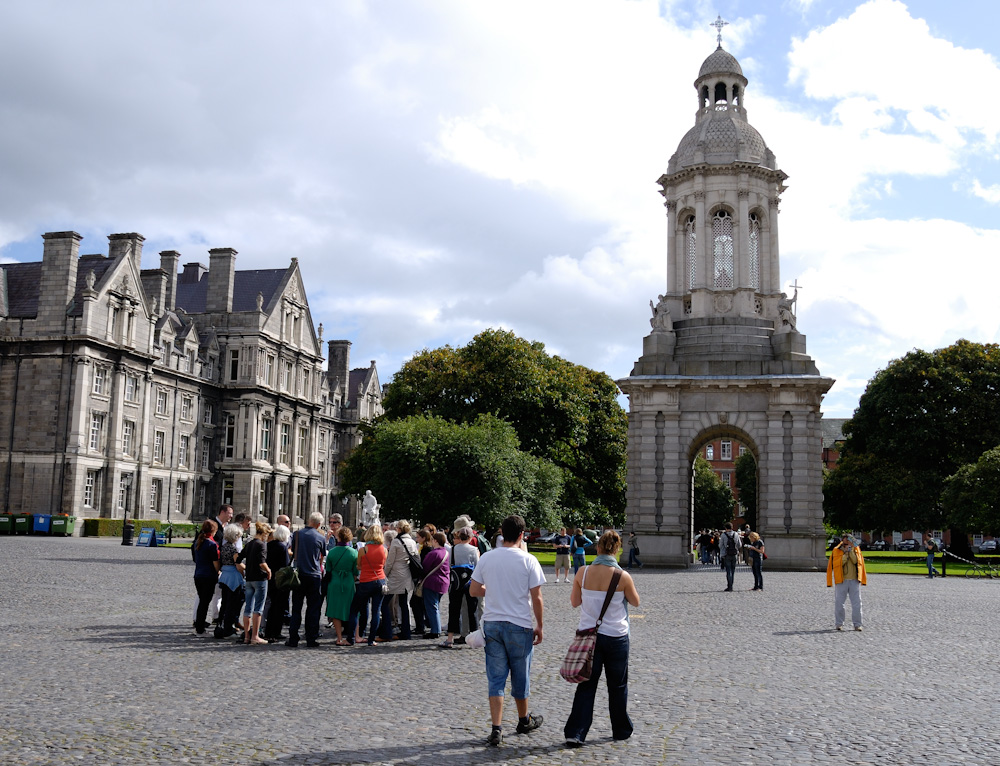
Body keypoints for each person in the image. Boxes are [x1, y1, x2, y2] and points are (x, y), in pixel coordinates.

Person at [469, 514, 545, 747]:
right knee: (521, 676)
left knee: (496, 677)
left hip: (492, 623)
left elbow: (474, 590)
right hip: (519, 624)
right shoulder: (528, 560)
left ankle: (496, 728)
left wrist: (493, 591)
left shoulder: (488, 558)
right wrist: (539, 625)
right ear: (522, 535)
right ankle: (523, 720)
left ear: (502, 532)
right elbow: (537, 597)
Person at [564, 530, 640, 747]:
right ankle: (621, 729)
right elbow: (635, 602)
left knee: (586, 684)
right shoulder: (623, 576)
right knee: (617, 685)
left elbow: (575, 602)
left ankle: (576, 732)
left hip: (589, 637)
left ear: (597, 548)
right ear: (616, 550)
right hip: (616, 636)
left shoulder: (583, 572)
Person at [286, 511, 326, 648]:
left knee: (296, 608)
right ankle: (311, 638)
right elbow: (322, 557)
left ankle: (293, 638)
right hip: (314, 575)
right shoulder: (321, 537)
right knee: (313, 609)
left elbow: (290, 550)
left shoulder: (297, 534)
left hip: (299, 574)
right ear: (319, 524)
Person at [346, 525, 388, 647]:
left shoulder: (363, 550)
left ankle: (350, 638)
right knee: (376, 611)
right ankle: (371, 639)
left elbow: (359, 566)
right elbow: (383, 565)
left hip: (365, 581)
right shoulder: (384, 550)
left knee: (355, 609)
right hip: (380, 581)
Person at [441, 527, 480, 648]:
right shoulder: (474, 550)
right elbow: (477, 566)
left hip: (455, 583)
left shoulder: (452, 549)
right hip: (470, 583)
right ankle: (474, 638)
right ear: (470, 538)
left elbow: (448, 566)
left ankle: (449, 638)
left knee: (453, 610)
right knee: (472, 610)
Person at [380, 520, 417, 642]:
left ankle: (386, 632)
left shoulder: (396, 542)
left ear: (399, 529)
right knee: (403, 604)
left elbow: (390, 562)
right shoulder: (412, 541)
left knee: (384, 604)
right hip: (406, 575)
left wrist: (384, 574)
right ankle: (406, 631)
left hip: (396, 576)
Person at [237, 521, 272, 645]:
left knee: (248, 608)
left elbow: (238, 560)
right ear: (265, 534)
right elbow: (262, 562)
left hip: (249, 578)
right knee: (258, 608)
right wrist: (268, 571)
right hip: (260, 579)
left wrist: (245, 569)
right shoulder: (261, 544)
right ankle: (255, 636)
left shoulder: (250, 543)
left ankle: (246, 636)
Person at [325, 526, 358, 646]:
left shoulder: (332, 552)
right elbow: (356, 571)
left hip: (334, 582)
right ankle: (355, 635)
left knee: (335, 610)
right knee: (351, 609)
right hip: (348, 582)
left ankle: (339, 638)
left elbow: (328, 569)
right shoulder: (354, 553)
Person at [826, 534, 866, 631]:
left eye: (849, 541)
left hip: (854, 580)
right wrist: (845, 554)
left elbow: (856, 561)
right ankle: (839, 623)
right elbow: (837, 564)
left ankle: (857, 624)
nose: (847, 542)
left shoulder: (856, 549)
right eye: (846, 540)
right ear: (843, 540)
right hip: (841, 580)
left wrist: (850, 551)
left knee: (857, 603)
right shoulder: (836, 550)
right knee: (839, 603)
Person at [215, 523, 245, 639]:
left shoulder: (223, 547)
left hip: (225, 575)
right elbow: (238, 564)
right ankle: (227, 628)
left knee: (224, 604)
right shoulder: (233, 549)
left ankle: (221, 626)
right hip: (233, 576)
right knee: (232, 604)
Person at [420, 531, 450, 640]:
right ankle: (436, 628)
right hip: (443, 582)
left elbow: (425, 567)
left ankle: (435, 630)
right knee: (436, 605)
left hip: (432, 582)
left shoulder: (433, 553)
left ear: (435, 541)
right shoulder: (446, 552)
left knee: (432, 607)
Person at [263, 524, 291, 643]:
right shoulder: (282, 547)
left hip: (269, 579)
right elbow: (285, 565)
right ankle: (275, 632)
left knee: (271, 605)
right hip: (280, 581)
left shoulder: (268, 545)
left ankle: (268, 631)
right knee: (279, 607)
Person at [192, 520, 220, 634]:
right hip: (208, 576)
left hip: (198, 575)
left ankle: (199, 625)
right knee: (205, 602)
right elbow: (215, 562)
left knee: (202, 602)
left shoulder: (198, 542)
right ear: (213, 530)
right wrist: (218, 571)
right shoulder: (212, 544)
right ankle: (200, 628)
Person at [719, 522, 741, 591]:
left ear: (726, 528)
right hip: (734, 554)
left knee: (728, 571)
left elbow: (720, 545)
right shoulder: (736, 534)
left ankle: (729, 586)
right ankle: (731, 585)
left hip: (726, 554)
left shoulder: (723, 535)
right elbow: (739, 544)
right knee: (733, 570)